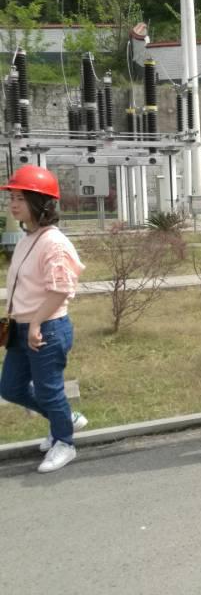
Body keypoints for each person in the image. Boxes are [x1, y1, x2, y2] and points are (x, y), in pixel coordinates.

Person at [0, 165, 86, 473]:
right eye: (11, 198)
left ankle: (65, 442)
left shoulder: (53, 242)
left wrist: (35, 323)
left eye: (20, 198)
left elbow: (60, 289)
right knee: (10, 387)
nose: (13, 204)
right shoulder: (30, 237)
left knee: (49, 390)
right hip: (22, 326)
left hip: (46, 327)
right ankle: (64, 418)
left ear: (40, 203)